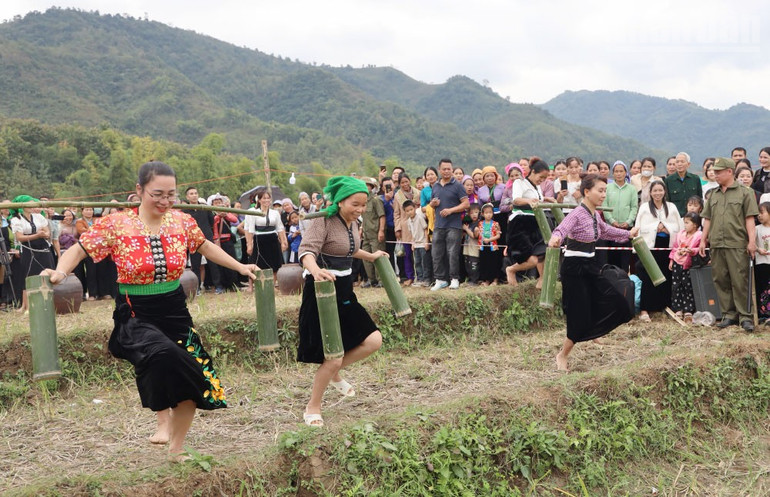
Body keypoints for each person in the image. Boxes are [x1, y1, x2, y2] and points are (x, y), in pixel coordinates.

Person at [41, 161, 258, 462]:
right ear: (139, 190)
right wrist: (61, 273)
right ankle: (162, 419)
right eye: (157, 193)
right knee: (161, 355)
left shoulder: (182, 221)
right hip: (135, 310)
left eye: (171, 194)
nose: (165, 201)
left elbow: (205, 246)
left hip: (174, 308)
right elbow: (80, 249)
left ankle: (177, 449)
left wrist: (240, 266)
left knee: (193, 373)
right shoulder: (116, 224)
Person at [297, 176, 386, 427]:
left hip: (345, 290)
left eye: (363, 205)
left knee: (373, 340)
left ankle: (333, 372)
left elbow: (349, 250)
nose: (359, 209)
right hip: (322, 291)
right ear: (340, 201)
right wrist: (315, 271)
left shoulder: (352, 223)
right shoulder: (322, 219)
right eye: (354, 204)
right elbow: (306, 251)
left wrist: (371, 255)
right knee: (333, 356)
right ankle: (313, 406)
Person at [548, 174, 640, 371]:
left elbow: (606, 231)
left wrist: (628, 234)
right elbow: (561, 229)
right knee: (577, 314)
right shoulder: (577, 213)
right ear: (586, 192)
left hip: (590, 265)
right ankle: (562, 355)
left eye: (605, 190)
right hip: (574, 269)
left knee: (617, 298)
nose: (603, 194)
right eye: (600, 190)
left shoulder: (595, 215)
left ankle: (593, 331)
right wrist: (555, 238)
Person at [699, 157, 759, 332]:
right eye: (714, 172)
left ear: (729, 172)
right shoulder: (714, 194)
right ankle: (729, 314)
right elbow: (707, 218)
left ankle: (745, 316)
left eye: (718, 172)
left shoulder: (745, 193)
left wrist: (752, 241)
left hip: (737, 243)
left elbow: (750, 219)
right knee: (721, 279)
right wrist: (703, 239)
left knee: (740, 280)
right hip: (717, 243)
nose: (715, 174)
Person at [635, 180, 682, 322]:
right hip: (649, 247)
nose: (657, 193)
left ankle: (664, 305)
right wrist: (657, 227)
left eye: (660, 190)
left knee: (666, 276)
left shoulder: (671, 207)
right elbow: (640, 227)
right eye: (655, 190)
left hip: (666, 246)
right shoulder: (644, 207)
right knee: (648, 277)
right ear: (650, 192)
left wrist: (665, 227)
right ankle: (645, 309)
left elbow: (678, 227)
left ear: (664, 191)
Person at [505, 159, 554, 287]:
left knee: (542, 252)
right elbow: (516, 200)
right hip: (520, 223)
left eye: (544, 178)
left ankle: (542, 280)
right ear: (533, 171)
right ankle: (511, 270)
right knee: (531, 260)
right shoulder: (519, 182)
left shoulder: (537, 186)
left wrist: (547, 199)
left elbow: (537, 201)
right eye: (541, 177)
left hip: (535, 221)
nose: (542, 180)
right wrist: (528, 201)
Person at [9, 196, 54, 313]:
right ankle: (28, 306)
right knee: (29, 275)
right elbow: (20, 237)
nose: (33, 206)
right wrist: (37, 235)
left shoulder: (39, 216)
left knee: (47, 272)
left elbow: (47, 230)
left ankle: (49, 303)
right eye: (30, 204)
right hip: (28, 248)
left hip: (43, 247)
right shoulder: (16, 220)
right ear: (22, 205)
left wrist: (45, 234)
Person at [429, 159, 470, 290]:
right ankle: (440, 279)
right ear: (439, 170)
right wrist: (432, 204)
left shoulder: (458, 185)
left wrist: (451, 210)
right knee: (436, 253)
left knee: (452, 253)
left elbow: (466, 204)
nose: (447, 171)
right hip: (438, 225)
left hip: (454, 225)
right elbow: (431, 203)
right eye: (444, 169)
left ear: (452, 170)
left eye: (449, 169)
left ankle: (454, 279)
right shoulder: (435, 186)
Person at [244, 189, 287, 284]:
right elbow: (249, 229)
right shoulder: (253, 212)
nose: (267, 200)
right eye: (264, 198)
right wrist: (249, 244)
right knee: (256, 263)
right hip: (259, 239)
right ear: (259, 200)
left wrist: (284, 241)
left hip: (272, 239)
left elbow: (280, 228)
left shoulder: (274, 213)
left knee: (275, 264)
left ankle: (272, 285)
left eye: (268, 198)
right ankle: (253, 285)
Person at [603, 161, 638, 273]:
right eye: (616, 171)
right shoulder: (607, 188)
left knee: (625, 259)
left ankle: (623, 283)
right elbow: (604, 206)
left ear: (625, 172)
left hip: (626, 229)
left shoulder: (631, 189)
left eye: (621, 171)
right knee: (611, 258)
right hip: (611, 228)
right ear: (613, 173)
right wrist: (612, 221)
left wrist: (628, 222)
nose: (618, 174)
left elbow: (634, 207)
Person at [668, 212, 702, 323]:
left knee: (688, 286)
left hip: (688, 264)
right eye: (684, 223)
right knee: (676, 286)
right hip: (678, 262)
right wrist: (672, 260)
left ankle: (688, 310)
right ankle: (678, 309)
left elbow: (700, 248)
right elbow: (675, 248)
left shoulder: (699, 235)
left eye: (688, 223)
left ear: (695, 225)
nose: (685, 225)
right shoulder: (680, 234)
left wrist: (692, 251)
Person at [360, 177, 385, 288]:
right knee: (366, 257)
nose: (365, 187)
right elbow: (364, 218)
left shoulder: (375, 200)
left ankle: (381, 280)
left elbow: (382, 216)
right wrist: (361, 229)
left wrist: (381, 231)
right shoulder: (362, 202)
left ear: (371, 187)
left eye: (367, 185)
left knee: (378, 258)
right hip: (366, 233)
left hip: (375, 233)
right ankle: (371, 279)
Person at [211, 195, 239, 292]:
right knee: (220, 264)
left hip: (228, 241)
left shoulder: (226, 212)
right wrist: (218, 216)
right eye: (216, 202)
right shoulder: (211, 214)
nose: (218, 204)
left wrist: (225, 214)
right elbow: (213, 225)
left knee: (231, 261)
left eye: (219, 202)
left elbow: (234, 220)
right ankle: (223, 284)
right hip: (217, 242)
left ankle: (233, 283)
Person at [393, 173, 416, 286]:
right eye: (402, 182)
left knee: (418, 253)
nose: (405, 184)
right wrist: (397, 228)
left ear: (409, 181)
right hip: (405, 228)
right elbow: (396, 214)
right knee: (407, 254)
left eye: (406, 181)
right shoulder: (397, 196)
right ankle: (409, 276)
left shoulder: (417, 193)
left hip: (417, 226)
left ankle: (419, 276)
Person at [404, 200, 429, 287]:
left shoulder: (420, 218)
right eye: (407, 211)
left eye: (411, 209)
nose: (410, 212)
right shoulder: (408, 221)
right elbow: (411, 233)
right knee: (417, 262)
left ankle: (426, 280)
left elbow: (425, 229)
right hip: (416, 245)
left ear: (414, 208)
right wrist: (412, 244)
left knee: (424, 262)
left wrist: (426, 242)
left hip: (422, 243)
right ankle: (419, 279)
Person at [475, 203, 501, 285]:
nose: (488, 214)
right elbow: (477, 235)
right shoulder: (480, 223)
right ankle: (486, 280)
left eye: (490, 212)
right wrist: (476, 232)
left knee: (493, 263)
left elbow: (498, 235)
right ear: (482, 214)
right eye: (486, 213)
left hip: (492, 247)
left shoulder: (495, 224)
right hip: (483, 247)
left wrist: (489, 239)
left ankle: (495, 280)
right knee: (484, 263)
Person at [755, 202, 770, 323]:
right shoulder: (757, 229)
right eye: (758, 213)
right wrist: (758, 249)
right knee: (763, 289)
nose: (759, 216)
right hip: (761, 263)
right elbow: (751, 243)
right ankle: (763, 314)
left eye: (762, 212)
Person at [462, 204, 481, 286]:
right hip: (467, 247)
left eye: (476, 212)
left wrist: (466, 229)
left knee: (474, 264)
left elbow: (474, 236)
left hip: (474, 248)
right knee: (467, 264)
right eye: (472, 213)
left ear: (480, 213)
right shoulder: (468, 223)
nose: (474, 214)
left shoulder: (478, 224)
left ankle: (474, 281)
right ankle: (469, 279)